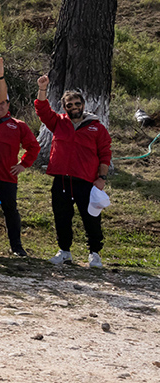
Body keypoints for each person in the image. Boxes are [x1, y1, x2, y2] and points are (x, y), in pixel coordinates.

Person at [35, 76, 112, 267]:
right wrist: (42, 88)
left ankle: (94, 253)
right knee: (61, 216)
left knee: (91, 218)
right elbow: (42, 109)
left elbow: (105, 154)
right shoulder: (58, 122)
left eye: (77, 103)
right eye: (70, 104)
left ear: (83, 105)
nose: (74, 107)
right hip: (61, 179)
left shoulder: (97, 128)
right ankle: (64, 251)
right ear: (65, 107)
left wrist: (101, 178)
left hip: (86, 181)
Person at [0, 92, 40, 258]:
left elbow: (33, 147)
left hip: (5, 176)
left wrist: (23, 164)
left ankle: (16, 246)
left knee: (10, 210)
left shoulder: (18, 125)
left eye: (3, 102)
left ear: (8, 105)